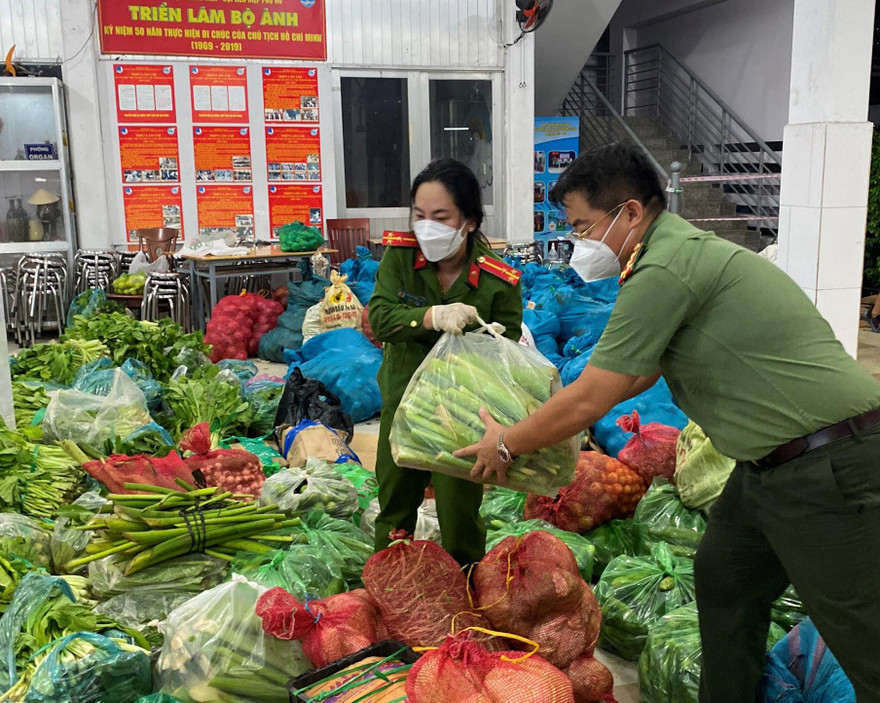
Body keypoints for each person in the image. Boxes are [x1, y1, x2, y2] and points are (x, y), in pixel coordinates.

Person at [455, 143, 880, 702]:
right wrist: (544, 434)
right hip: (767, 467)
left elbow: (592, 399)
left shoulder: (667, 268)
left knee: (862, 638)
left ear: (630, 213)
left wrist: (507, 444)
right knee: (725, 578)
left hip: (828, 463)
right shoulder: (663, 260)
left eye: (583, 227)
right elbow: (634, 376)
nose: (578, 243)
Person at [368, 158, 523, 567]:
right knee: (394, 509)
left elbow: (505, 352)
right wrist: (430, 317)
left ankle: (467, 589)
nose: (426, 227)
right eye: (419, 215)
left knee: (459, 518)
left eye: (441, 216)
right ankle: (389, 585)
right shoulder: (400, 258)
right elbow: (381, 318)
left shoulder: (497, 280)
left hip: (462, 415)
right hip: (403, 404)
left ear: (468, 221)